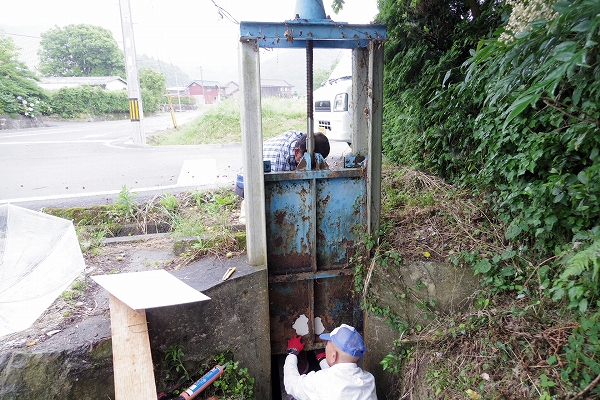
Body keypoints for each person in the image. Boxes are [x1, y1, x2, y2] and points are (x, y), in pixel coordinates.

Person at [284, 324, 377, 400]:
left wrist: (292, 352)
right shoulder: (368, 379)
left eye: (327, 345)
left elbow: (291, 385)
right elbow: (339, 378)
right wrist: (322, 360)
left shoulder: (319, 380)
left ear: (334, 356)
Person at [234, 130, 331, 198]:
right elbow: (277, 195)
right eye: (307, 162)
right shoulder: (280, 163)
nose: (310, 167)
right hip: (248, 181)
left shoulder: (305, 139)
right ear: (296, 152)